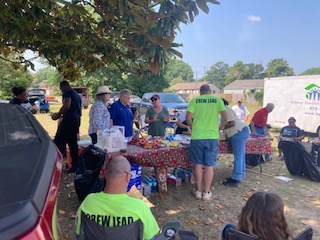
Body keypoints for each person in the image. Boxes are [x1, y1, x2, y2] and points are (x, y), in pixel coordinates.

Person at [76, 156, 160, 240]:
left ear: (105, 174)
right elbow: (151, 236)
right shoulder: (139, 207)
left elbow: (79, 234)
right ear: (127, 177)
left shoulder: (88, 203)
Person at [186, 84, 227, 200]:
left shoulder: (195, 101)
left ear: (200, 92)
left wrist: (192, 126)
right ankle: (207, 192)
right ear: (210, 91)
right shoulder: (218, 100)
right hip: (212, 136)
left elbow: (188, 117)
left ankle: (198, 191)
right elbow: (225, 118)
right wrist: (220, 127)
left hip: (197, 136)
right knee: (209, 166)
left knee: (197, 165)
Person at [221, 191, 291, 240]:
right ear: (279, 217)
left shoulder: (233, 233)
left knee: (229, 227)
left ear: (247, 213)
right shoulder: (284, 235)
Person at [52, 80, 82, 173]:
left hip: (68, 121)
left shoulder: (67, 92)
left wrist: (58, 115)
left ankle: (56, 165)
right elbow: (79, 111)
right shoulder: (76, 94)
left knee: (58, 142)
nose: (61, 91)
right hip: (76, 119)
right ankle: (75, 165)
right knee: (73, 144)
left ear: (63, 86)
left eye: (61, 89)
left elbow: (67, 105)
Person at [221, 99, 249, 187]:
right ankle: (241, 174)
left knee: (238, 155)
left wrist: (221, 127)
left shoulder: (225, 110)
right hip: (240, 131)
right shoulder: (226, 110)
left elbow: (232, 123)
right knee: (241, 155)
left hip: (237, 132)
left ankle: (236, 178)